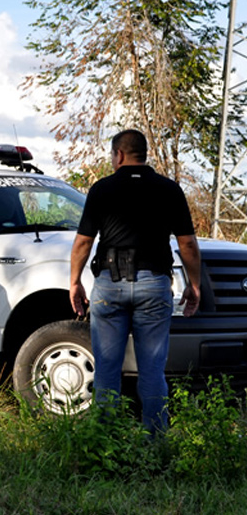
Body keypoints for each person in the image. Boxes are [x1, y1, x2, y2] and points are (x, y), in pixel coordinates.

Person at [69, 129, 201, 434]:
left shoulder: (102, 190)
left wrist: (74, 282)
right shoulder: (169, 190)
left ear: (118, 155)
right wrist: (194, 286)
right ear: (144, 155)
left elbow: (82, 244)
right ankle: (155, 448)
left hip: (109, 285)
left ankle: (105, 444)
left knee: (107, 372)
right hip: (154, 285)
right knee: (152, 371)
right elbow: (189, 245)